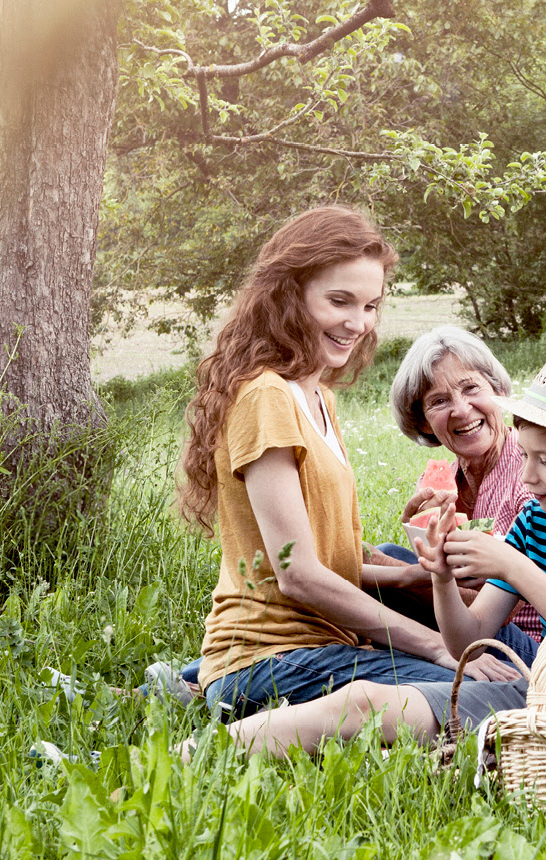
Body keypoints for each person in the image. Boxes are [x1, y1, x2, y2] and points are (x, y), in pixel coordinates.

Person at [186, 349, 546, 757]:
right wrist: (441, 576)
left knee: (385, 702)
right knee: (364, 701)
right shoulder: (541, 519)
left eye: (545, 461)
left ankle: (199, 715)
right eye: (525, 457)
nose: (528, 476)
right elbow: (467, 639)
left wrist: (516, 565)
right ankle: (197, 754)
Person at [172, 205, 516, 722]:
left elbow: (327, 552)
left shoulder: (318, 397)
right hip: (271, 660)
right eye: (339, 301)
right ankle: (210, 691)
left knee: (486, 687)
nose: (357, 323)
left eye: (371, 305)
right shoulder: (266, 397)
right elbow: (299, 575)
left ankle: (184, 683)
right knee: (484, 696)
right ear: (290, 295)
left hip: (322, 647)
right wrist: (437, 647)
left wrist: (413, 578)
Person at [379, 326, 543, 640]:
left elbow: (503, 607)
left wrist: (389, 569)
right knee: (388, 554)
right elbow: (443, 572)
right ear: (423, 421)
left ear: (497, 390)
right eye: (439, 401)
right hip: (463, 622)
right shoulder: (441, 480)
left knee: (378, 564)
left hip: (521, 637)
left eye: (470, 388)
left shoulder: (532, 472)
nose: (461, 410)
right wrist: (419, 536)